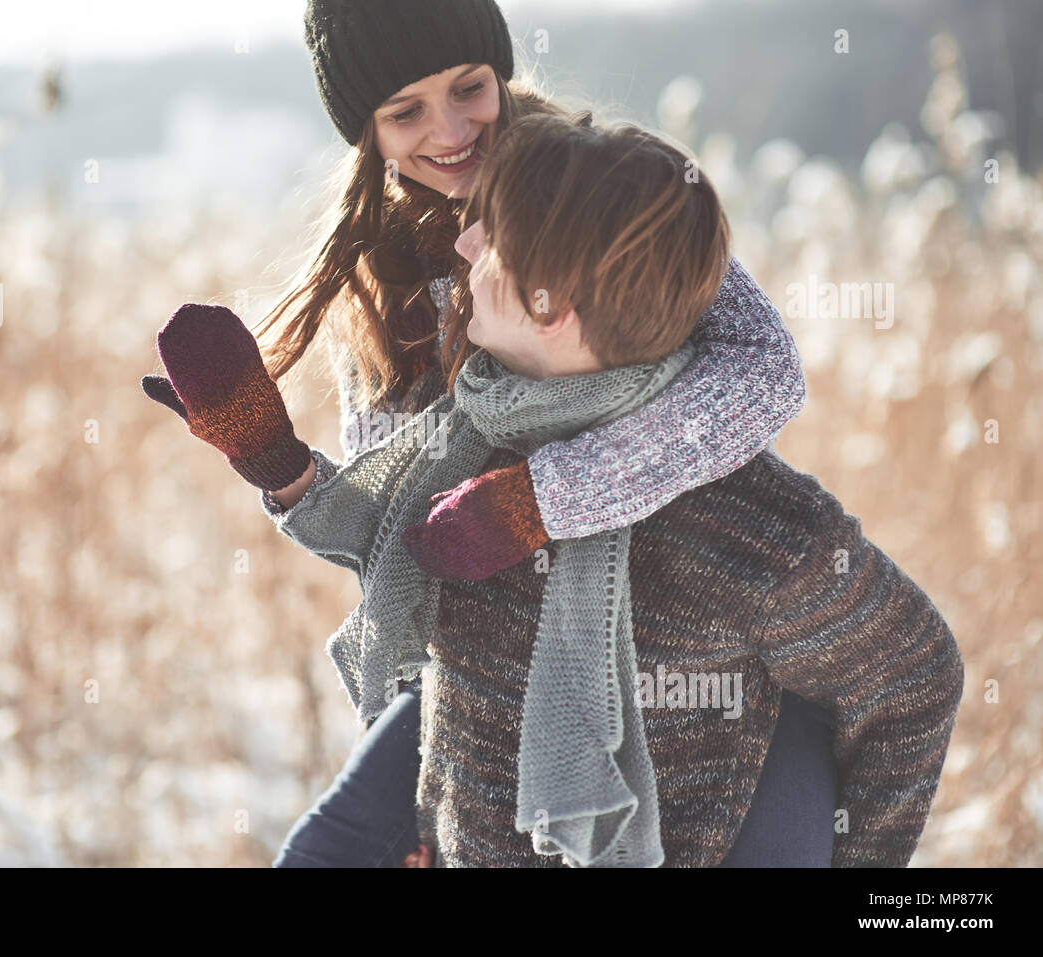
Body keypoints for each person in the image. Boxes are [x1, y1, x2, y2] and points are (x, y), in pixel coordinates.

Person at [143, 111, 964, 867]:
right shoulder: (477, 426)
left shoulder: (750, 522)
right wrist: (266, 451)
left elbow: (916, 677)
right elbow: (402, 558)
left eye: (489, 238)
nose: (462, 249)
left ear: (555, 309)